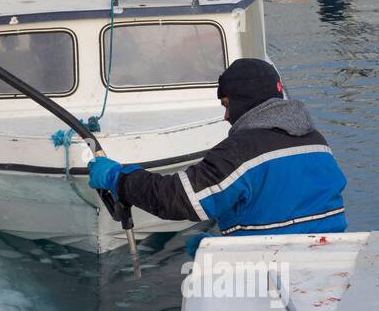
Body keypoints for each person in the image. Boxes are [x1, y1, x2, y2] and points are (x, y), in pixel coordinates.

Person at [88, 58, 347, 239]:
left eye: (226, 104)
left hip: (268, 267)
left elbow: (178, 198)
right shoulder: (316, 140)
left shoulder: (240, 152)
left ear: (245, 102)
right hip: (327, 258)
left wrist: (119, 179)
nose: (226, 116)